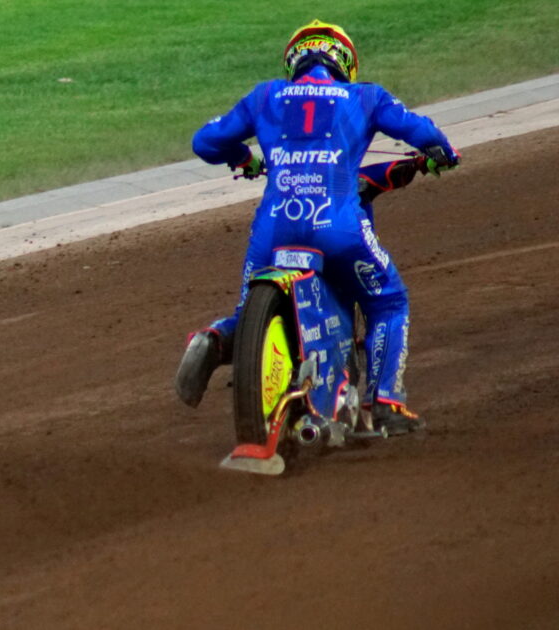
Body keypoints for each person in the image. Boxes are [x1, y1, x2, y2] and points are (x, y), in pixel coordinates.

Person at [174, 20, 460, 435]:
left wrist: (245, 160)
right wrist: (443, 153)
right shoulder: (365, 96)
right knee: (389, 301)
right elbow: (424, 133)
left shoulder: (265, 95)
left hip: (273, 229)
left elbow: (205, 142)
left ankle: (213, 339)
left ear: (294, 61)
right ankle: (385, 403)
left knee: (246, 314)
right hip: (338, 228)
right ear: (346, 62)